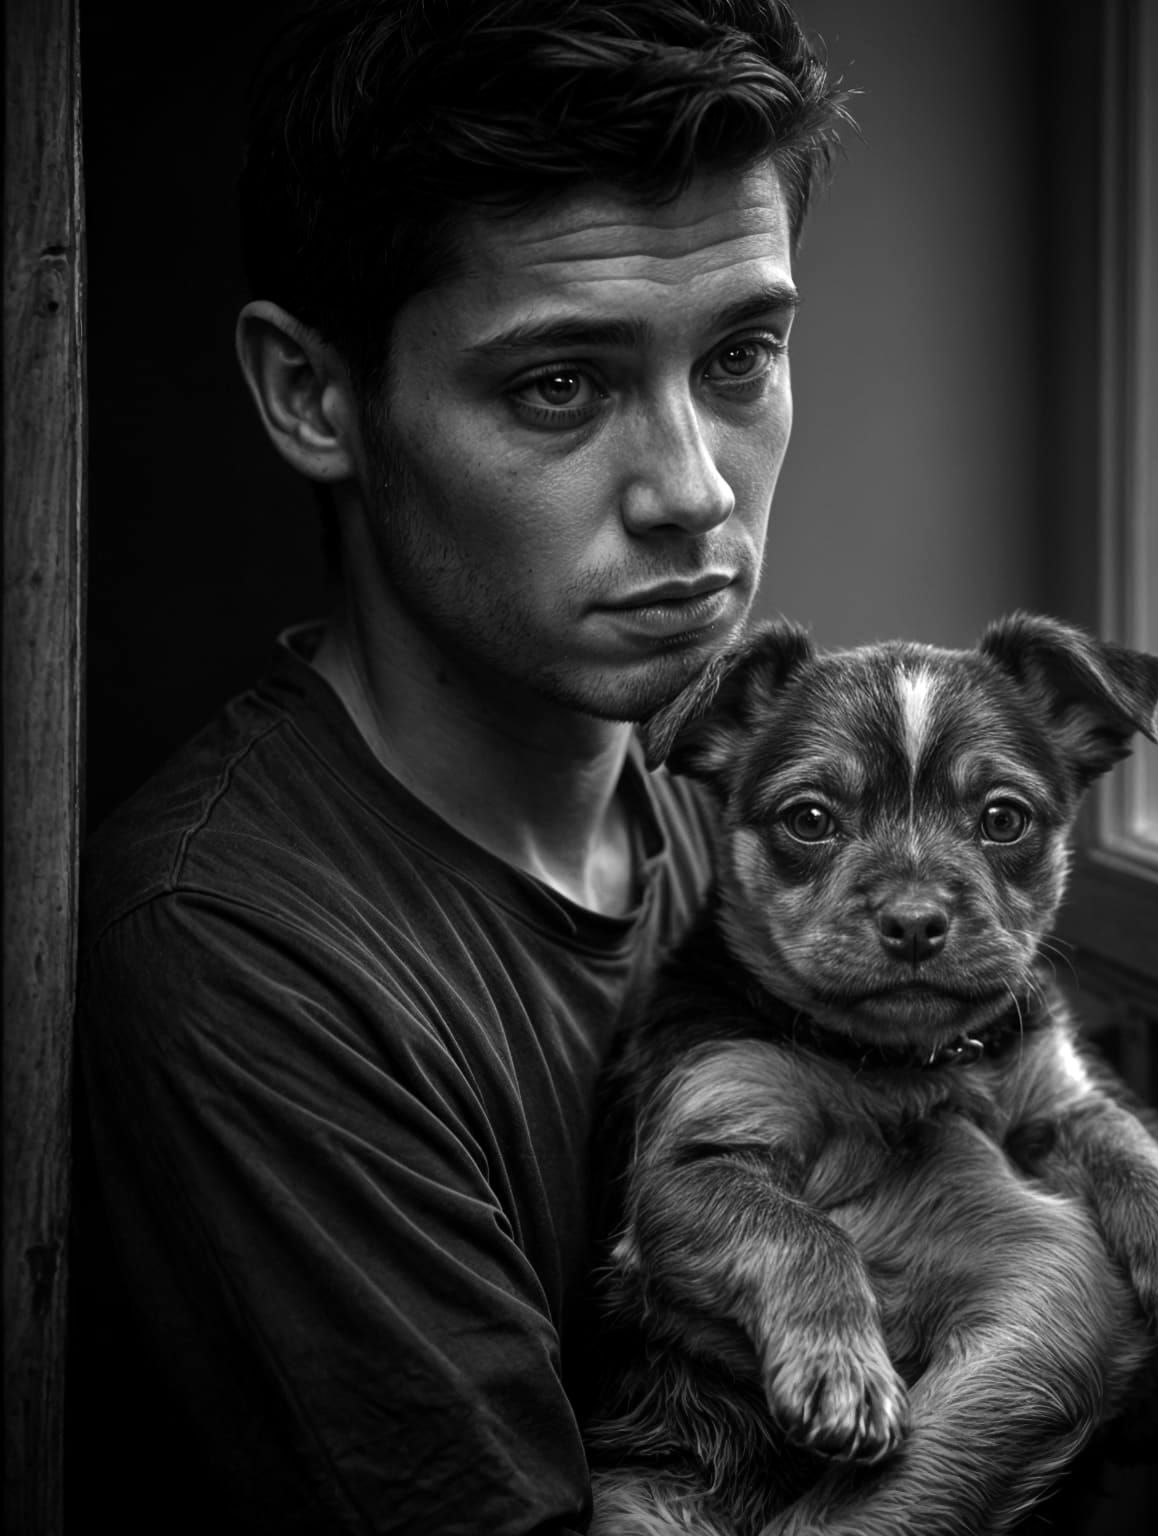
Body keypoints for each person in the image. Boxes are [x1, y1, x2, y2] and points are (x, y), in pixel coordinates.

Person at [69, 3, 852, 1532]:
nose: (695, 493)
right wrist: (1060, 1344)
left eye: (744, 356)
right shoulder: (234, 953)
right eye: (559, 385)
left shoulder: (751, 821)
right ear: (314, 395)